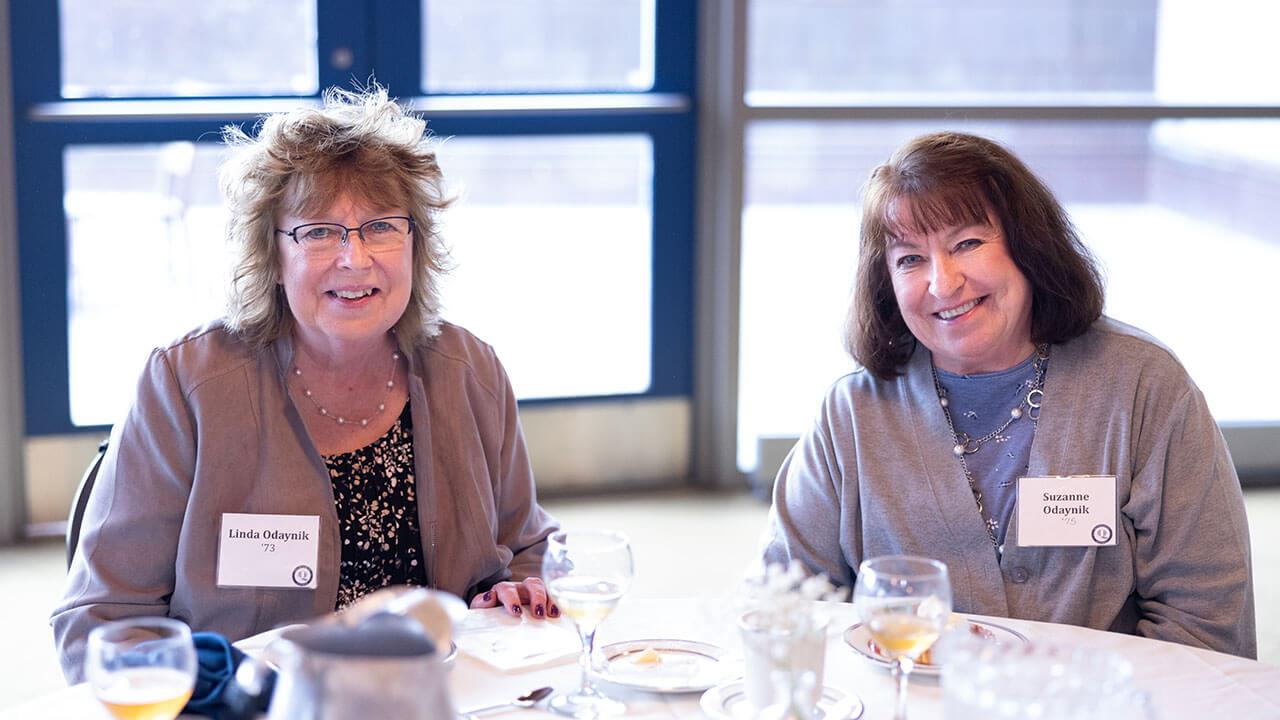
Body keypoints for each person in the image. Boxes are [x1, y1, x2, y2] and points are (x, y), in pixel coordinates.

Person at [53, 86, 560, 681]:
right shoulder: (186, 385)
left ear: (415, 244)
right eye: (319, 232)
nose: (354, 259)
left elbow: (529, 552)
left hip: (438, 696)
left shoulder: (468, 371)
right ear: (271, 253)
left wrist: (518, 593)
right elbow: (102, 625)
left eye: (380, 227)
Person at [761, 131, 1256, 658]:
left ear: (1028, 245)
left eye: (967, 244)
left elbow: (1207, 623)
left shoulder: (1143, 385)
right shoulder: (851, 413)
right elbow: (782, 609)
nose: (942, 283)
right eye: (909, 259)